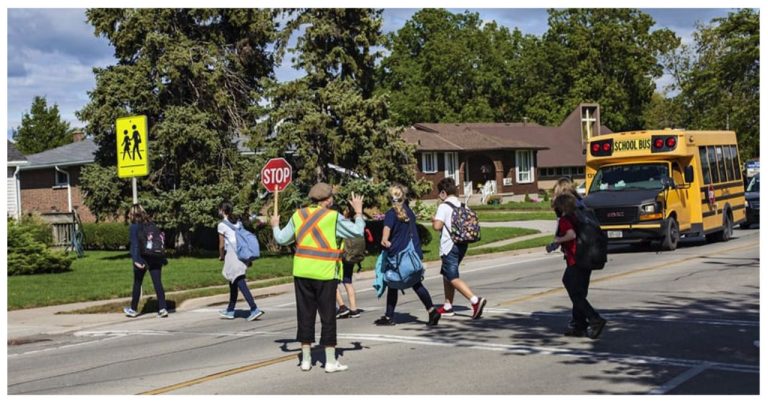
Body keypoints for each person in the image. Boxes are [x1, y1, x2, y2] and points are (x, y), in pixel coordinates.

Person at [271, 183, 365, 373]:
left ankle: (306, 360)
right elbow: (357, 232)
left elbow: (281, 239)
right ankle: (330, 361)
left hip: (302, 271)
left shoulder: (299, 215)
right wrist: (358, 212)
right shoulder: (333, 217)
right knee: (328, 316)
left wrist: (274, 226)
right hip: (325, 273)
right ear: (328, 200)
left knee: (305, 315)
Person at [376, 184, 441, 326]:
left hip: (398, 256)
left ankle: (389, 317)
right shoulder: (409, 212)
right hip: (413, 254)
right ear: (403, 197)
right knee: (416, 283)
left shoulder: (391, 214)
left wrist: (385, 241)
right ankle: (431, 310)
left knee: (392, 284)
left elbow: (385, 235)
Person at [549, 193, 607, 339]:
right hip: (588, 259)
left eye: (556, 206)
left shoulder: (565, 219)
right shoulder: (580, 217)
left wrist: (558, 239)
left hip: (576, 260)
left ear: (561, 207)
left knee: (574, 291)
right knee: (579, 292)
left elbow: (571, 235)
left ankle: (594, 318)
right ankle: (579, 326)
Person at [432, 178, 487, 319]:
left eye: (440, 192)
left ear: (444, 192)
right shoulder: (463, 205)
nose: (439, 195)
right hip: (462, 244)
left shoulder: (444, 206)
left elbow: (437, 226)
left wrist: (434, 220)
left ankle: (475, 300)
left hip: (449, 245)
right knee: (447, 275)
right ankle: (448, 306)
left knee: (452, 277)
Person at [217, 201, 264, 321]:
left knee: (239, 281)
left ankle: (254, 308)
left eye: (219, 209)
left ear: (222, 210)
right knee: (233, 282)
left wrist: (221, 256)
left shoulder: (222, 225)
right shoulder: (238, 222)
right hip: (243, 252)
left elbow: (222, 244)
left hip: (233, 254)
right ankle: (230, 310)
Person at [123, 204, 168, 318]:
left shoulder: (134, 227)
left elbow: (135, 245)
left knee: (137, 283)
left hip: (142, 258)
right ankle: (163, 308)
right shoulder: (151, 224)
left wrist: (135, 260)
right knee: (157, 282)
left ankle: (133, 309)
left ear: (132, 214)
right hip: (155, 256)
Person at [336, 207, 363, 319]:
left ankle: (342, 307)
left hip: (340, 256)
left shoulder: (341, 225)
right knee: (348, 282)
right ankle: (354, 309)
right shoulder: (355, 225)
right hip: (351, 257)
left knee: (333, 283)